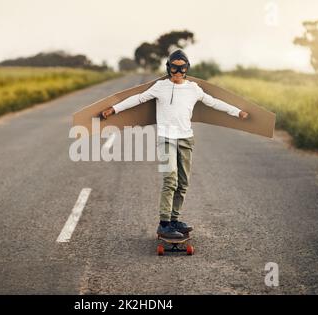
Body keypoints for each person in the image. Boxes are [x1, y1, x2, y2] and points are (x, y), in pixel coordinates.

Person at [101, 49, 249, 239]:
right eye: (174, 68)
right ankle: (164, 224)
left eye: (182, 68)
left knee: (183, 182)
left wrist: (238, 112)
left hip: (186, 139)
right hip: (166, 139)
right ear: (168, 68)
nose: (178, 72)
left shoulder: (194, 89)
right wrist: (114, 109)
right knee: (170, 179)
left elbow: (214, 102)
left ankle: (174, 219)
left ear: (187, 68)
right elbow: (137, 99)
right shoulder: (160, 87)